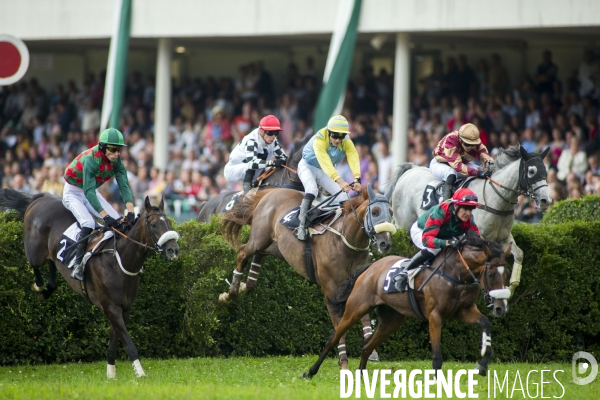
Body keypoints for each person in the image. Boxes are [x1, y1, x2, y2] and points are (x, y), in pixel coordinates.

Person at [62, 127, 136, 281]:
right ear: (102, 147)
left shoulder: (116, 161)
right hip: (73, 192)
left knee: (117, 222)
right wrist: (105, 216)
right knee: (88, 223)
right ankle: (77, 265)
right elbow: (88, 191)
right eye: (113, 149)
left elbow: (124, 185)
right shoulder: (91, 159)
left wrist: (130, 211)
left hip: (90, 191)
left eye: (119, 149)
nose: (117, 153)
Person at [394, 188, 481, 291]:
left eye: (470, 209)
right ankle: (404, 273)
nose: (468, 213)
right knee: (434, 249)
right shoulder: (441, 212)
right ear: (456, 206)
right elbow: (427, 240)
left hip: (443, 234)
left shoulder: (468, 218)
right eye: (465, 209)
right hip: (422, 232)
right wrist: (448, 242)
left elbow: (476, 236)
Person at [295, 115, 361, 241]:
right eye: (335, 135)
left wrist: (357, 178)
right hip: (307, 166)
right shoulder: (319, 139)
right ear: (328, 132)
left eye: (341, 136)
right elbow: (325, 162)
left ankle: (345, 229)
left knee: (344, 196)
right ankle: (301, 227)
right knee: (312, 190)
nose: (338, 140)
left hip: (324, 170)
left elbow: (353, 156)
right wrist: (340, 181)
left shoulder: (346, 140)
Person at [223, 114, 288, 193]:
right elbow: (252, 163)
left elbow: (284, 157)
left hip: (255, 173)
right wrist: (273, 162)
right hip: (233, 170)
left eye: (276, 133)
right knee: (251, 167)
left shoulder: (273, 140)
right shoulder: (252, 140)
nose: (273, 136)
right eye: (270, 132)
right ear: (261, 131)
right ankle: (247, 195)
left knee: (272, 169)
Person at [430, 123, 494, 201]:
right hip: (440, 163)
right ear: (460, 139)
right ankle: (445, 203)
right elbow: (458, 166)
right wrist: (477, 173)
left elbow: (485, 156)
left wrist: (491, 164)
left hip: (461, 163)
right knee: (451, 174)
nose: (470, 147)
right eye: (467, 144)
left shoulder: (475, 141)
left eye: (473, 144)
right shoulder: (451, 140)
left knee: (480, 170)